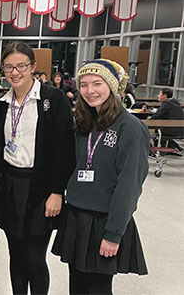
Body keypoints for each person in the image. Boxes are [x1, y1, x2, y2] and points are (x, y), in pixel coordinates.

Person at [52, 59, 149, 294]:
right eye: (83, 85)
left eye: (97, 83)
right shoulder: (85, 124)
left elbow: (129, 185)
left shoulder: (130, 127)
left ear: (113, 86)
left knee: (97, 289)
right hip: (77, 217)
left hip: (104, 221)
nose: (89, 91)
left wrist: (114, 234)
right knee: (77, 286)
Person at [0, 42, 75, 295]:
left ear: (33, 67)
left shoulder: (53, 98)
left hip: (41, 189)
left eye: (21, 66)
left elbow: (65, 148)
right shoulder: (2, 102)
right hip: (10, 186)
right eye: (9, 67)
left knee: (34, 257)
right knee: (15, 254)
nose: (15, 72)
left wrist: (57, 191)